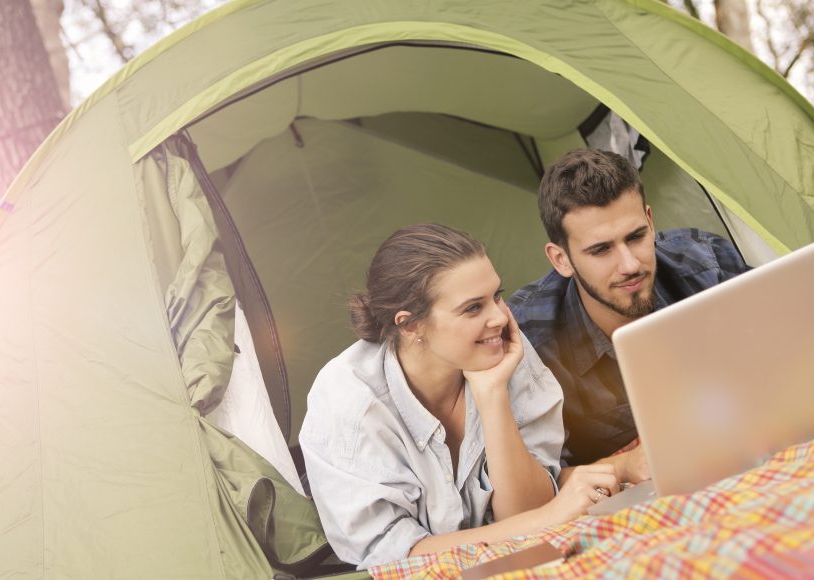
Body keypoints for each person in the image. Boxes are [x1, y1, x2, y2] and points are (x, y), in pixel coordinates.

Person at [300, 223, 619, 569]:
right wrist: (546, 518)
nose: (499, 316)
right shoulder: (348, 401)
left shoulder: (500, 347)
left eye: (497, 295)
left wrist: (492, 394)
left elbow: (527, 510)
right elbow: (396, 558)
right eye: (472, 308)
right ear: (409, 325)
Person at [509, 149, 750, 483]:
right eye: (601, 250)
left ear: (651, 222)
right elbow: (539, 478)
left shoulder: (707, 262)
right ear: (561, 259)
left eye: (636, 237)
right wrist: (622, 467)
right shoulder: (529, 337)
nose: (630, 265)